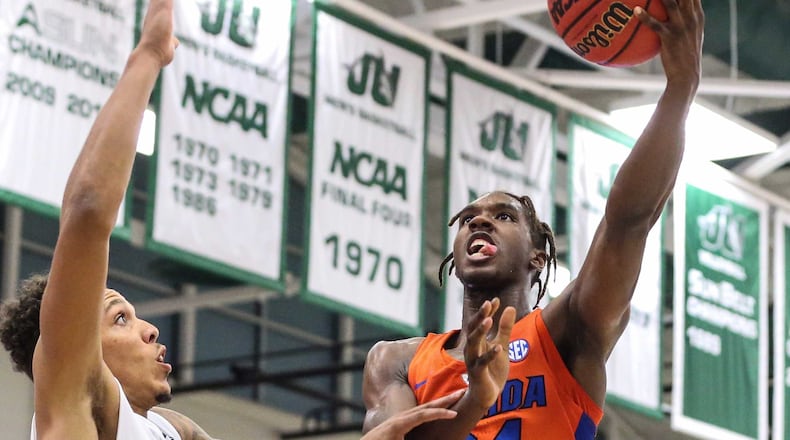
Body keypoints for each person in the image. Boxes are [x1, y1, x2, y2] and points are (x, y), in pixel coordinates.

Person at [361, 1, 704, 439]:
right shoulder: (396, 360)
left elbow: (628, 221)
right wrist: (476, 400)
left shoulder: (570, 330)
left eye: (502, 216)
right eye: (468, 219)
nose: (479, 224)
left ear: (538, 258)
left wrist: (680, 90)